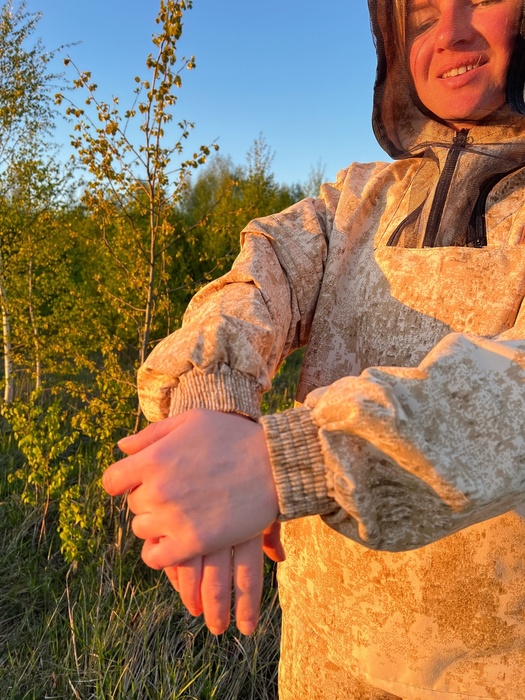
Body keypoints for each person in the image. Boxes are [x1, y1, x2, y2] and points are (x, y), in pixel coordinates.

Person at [102, 0, 525, 697]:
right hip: (322, 661)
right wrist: (217, 411)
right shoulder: (353, 199)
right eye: (418, 12)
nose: (448, 30)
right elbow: (253, 279)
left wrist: (285, 464)